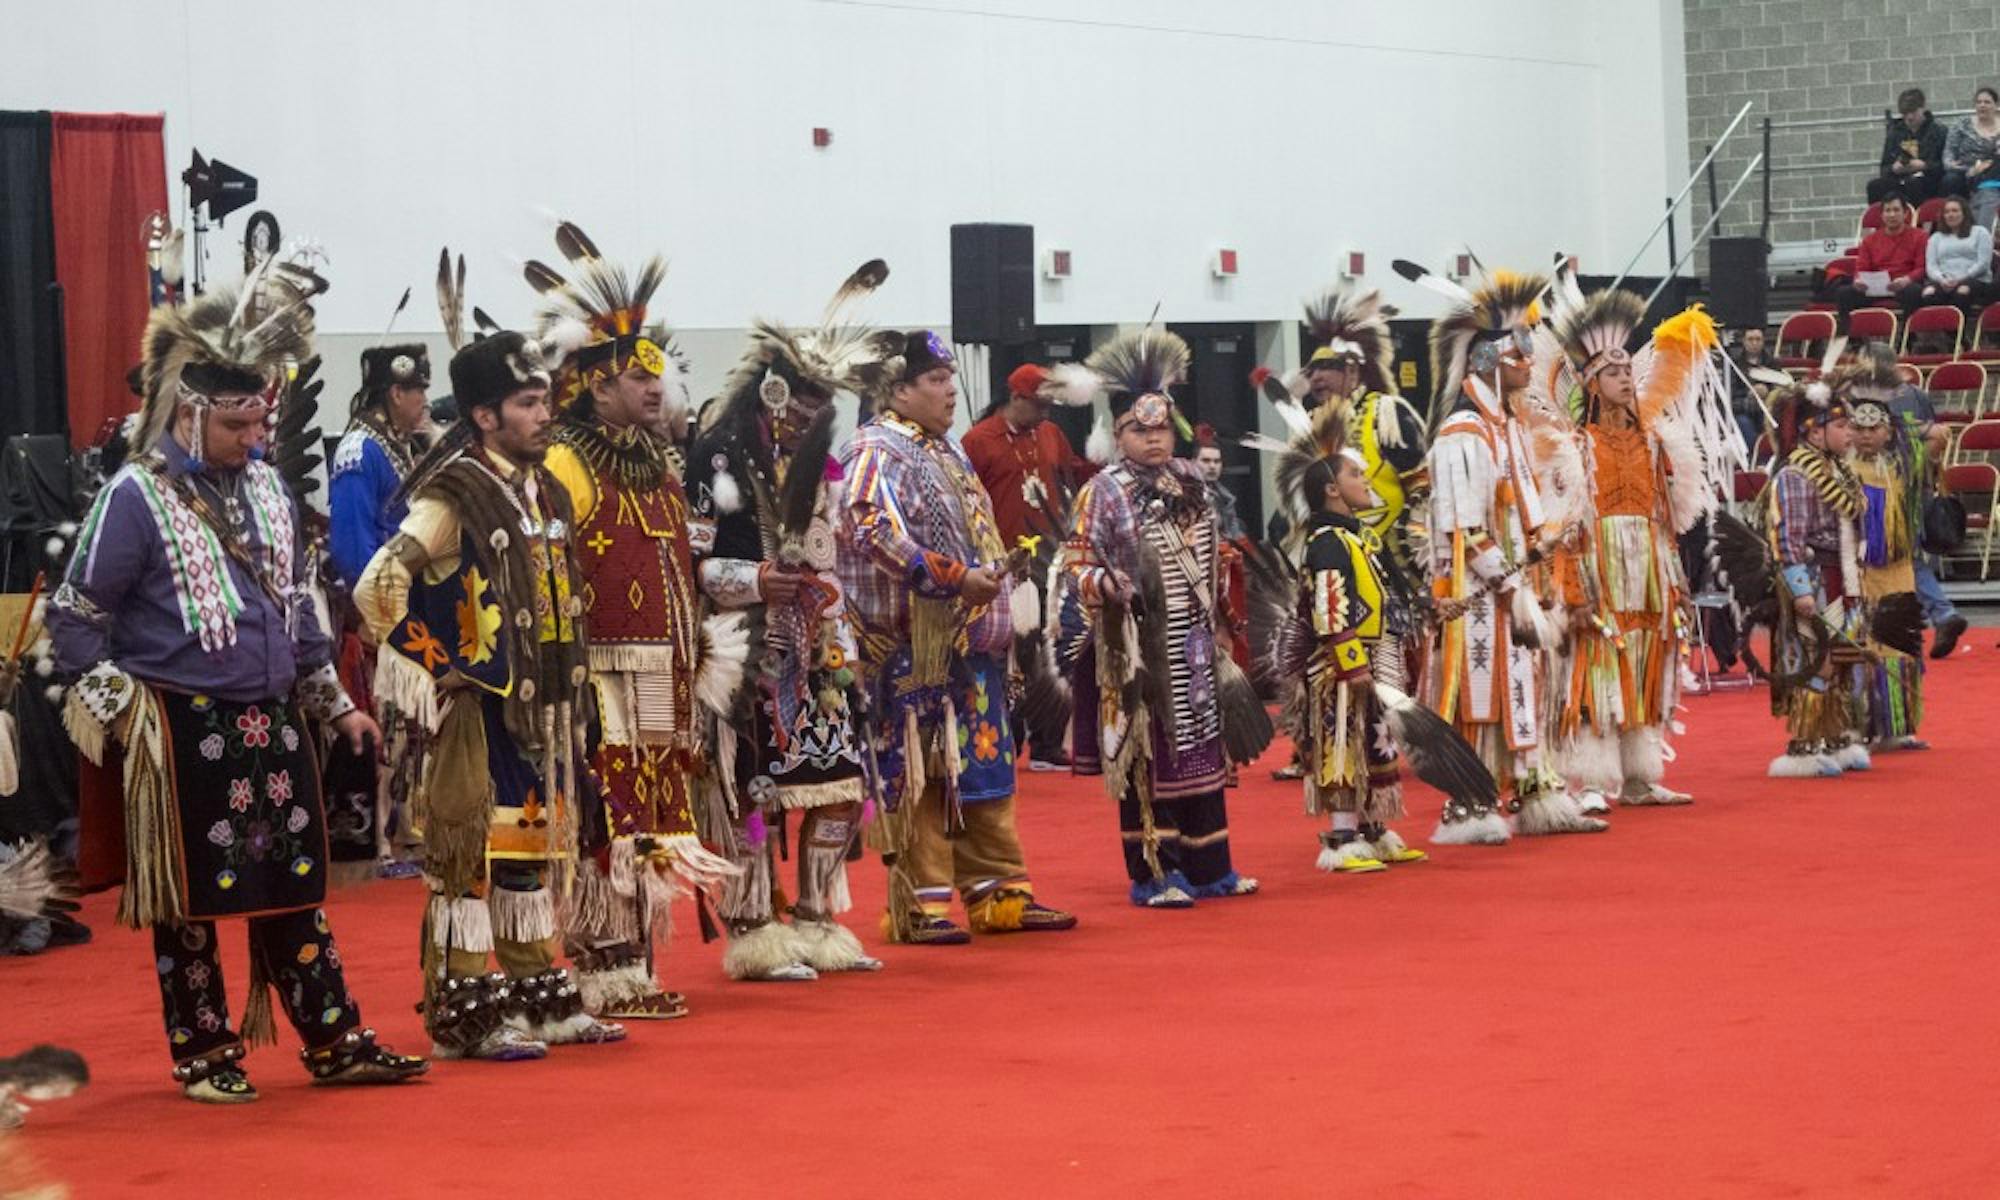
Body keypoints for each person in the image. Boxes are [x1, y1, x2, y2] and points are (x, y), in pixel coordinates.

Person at [47, 269, 426, 1103]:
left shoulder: (268, 489)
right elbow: (74, 615)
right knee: (185, 904)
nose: (254, 436)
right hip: (179, 729)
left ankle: (332, 1039)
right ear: (186, 412)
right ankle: (206, 1053)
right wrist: (122, 714)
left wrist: (334, 703)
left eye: (261, 419)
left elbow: (297, 609)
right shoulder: (135, 497)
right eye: (235, 421)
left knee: (292, 888)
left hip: (273, 720)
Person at [355, 325, 621, 1060]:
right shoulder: (454, 497)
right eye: (528, 403)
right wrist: (433, 665)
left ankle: (538, 997)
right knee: (467, 863)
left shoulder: (545, 491)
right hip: (478, 707)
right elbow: (376, 586)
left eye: (544, 401)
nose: (544, 415)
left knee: (526, 852)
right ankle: (464, 1011)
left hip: (540, 712)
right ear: (483, 415)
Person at [533, 228, 741, 1016]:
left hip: (665, 669)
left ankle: (636, 960)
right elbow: (552, 573)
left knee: (654, 809)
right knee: (608, 809)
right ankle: (599, 961)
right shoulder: (566, 461)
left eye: (655, 374)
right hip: (603, 674)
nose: (654, 389)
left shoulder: (655, 462)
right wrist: (571, 677)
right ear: (591, 385)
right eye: (632, 376)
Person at [683, 259, 890, 980]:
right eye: (800, 400)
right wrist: (755, 580)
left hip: (817, 651)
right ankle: (754, 930)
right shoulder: (715, 453)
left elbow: (831, 553)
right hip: (742, 654)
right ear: (769, 389)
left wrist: (834, 614)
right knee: (751, 793)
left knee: (838, 788)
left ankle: (817, 919)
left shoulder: (818, 465)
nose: (809, 415)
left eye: (819, 404)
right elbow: (691, 563)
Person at [837, 330, 1076, 943]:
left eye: (949, 379)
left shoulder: (945, 449)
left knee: (984, 765)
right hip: (913, 649)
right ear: (898, 391)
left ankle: (1000, 894)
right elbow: (869, 528)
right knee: (923, 774)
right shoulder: (876, 450)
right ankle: (920, 905)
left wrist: (993, 571)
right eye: (936, 381)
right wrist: (950, 576)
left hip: (969, 648)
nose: (950, 391)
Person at [1055, 329, 1263, 907]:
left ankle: (1210, 866)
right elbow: (1075, 563)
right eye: (1139, 430)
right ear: (1116, 434)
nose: (1152, 439)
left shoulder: (1191, 481)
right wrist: (1108, 584)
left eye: (1161, 429)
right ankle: (1154, 872)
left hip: (1194, 645)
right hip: (1137, 647)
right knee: (1150, 756)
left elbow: (1216, 550)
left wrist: (1223, 616)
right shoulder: (1103, 491)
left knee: (1199, 749)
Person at [1405, 264, 1559, 844]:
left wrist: (1543, 555)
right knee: (1477, 694)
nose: (1529, 362)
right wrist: (1510, 584)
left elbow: (1520, 512)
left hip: (1511, 587)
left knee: (1521, 684)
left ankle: (1533, 792)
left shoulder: (1508, 428)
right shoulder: (1464, 433)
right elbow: (1465, 530)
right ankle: (1467, 804)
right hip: (1477, 593)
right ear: (1489, 360)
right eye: (1519, 349)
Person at [1546, 290, 1712, 816]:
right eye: (1612, 373)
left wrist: (1677, 583)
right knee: (1597, 664)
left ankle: (1640, 776)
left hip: (1648, 565)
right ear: (1592, 385)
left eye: (1627, 371)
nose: (1624, 379)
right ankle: (1592, 777)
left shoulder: (1656, 443)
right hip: (1598, 566)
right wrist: (1571, 589)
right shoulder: (1576, 447)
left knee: (1648, 661)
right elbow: (1564, 526)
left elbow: (1667, 520)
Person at [1288, 446, 1427, 873]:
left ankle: (1372, 828)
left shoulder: (1359, 538)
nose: (1366, 479)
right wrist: (1351, 662)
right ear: (1332, 489)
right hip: (1340, 666)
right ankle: (1342, 835)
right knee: (1342, 741)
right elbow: (1329, 609)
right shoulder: (1328, 541)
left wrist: (1429, 609)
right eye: (1355, 474)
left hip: (1373, 656)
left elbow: (1390, 596)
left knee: (1376, 741)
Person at [328, 341, 432, 879]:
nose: (425, 402)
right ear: (396, 391)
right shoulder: (358, 451)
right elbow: (351, 542)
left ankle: (406, 828)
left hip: (408, 605)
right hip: (383, 609)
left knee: (411, 725)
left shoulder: (398, 446)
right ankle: (382, 842)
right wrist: (376, 610)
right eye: (420, 391)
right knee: (389, 722)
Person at [960, 360, 1094, 771]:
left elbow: (1074, 475)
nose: (1046, 413)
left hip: (1049, 562)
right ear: (1016, 398)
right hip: (1000, 564)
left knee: (1051, 650)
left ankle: (1048, 742)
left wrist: (1103, 464)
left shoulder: (1050, 434)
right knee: (1006, 654)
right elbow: (964, 502)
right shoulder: (977, 441)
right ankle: (1005, 735)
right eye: (1039, 405)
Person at [1761, 376, 1870, 778]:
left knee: (1842, 660)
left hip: (1843, 578)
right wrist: (1801, 590)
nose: (1851, 433)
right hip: (1815, 580)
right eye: (1842, 426)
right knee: (1816, 661)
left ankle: (1836, 737)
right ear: (1814, 430)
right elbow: (1788, 537)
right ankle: (1803, 746)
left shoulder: (1838, 471)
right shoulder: (1796, 475)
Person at [1847, 387, 1928, 752]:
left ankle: (1897, 725)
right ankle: (1860, 726)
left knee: (1899, 646)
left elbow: (1936, 438)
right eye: (1859, 428)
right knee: (1863, 649)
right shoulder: (1842, 468)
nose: (1866, 435)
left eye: (1873, 428)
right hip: (1859, 572)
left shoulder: (1902, 464)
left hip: (1898, 569)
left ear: (1887, 431)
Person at [1834, 195, 1929, 324]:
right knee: (1844, 294)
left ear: (1905, 214)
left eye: (1896, 210)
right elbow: (1861, 268)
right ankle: (1855, 338)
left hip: (1904, 285)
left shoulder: (1920, 236)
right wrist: (1858, 280)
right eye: (1888, 211)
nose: (1891, 215)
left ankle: (1907, 339)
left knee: (1913, 292)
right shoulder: (1869, 240)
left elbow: (1921, 268)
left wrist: (1906, 280)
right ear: (1882, 215)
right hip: (1876, 287)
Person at [1869, 87, 1945, 204]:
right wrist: (1894, 168)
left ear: (1922, 108)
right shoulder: (1894, 133)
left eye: (1913, 112)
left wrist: (1924, 165)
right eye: (1905, 113)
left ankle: (1918, 219)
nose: (1909, 117)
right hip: (1900, 178)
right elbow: (1884, 168)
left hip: (1928, 179)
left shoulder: (1938, 131)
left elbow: (1945, 165)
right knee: (1875, 186)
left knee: (1913, 183)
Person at [1920, 193, 1994, 310]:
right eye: (1947, 212)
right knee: (1929, 292)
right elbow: (1931, 266)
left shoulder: (1980, 232)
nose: (1951, 215)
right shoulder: (1936, 237)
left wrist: (1960, 278)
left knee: (1962, 291)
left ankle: (1957, 328)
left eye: (1955, 211)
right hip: (1944, 280)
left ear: (1964, 213)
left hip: (1974, 279)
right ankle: (1939, 326)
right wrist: (1941, 279)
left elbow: (1983, 264)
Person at [1942, 86, 2000, 223]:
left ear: (1996, 105)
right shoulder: (1962, 124)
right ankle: (1953, 219)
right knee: (1950, 180)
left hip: (1993, 173)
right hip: (1964, 172)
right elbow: (1947, 157)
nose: (1982, 105)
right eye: (1979, 102)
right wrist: (1970, 170)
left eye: (1987, 102)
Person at [1725, 326, 1775, 456]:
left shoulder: (1772, 364)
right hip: (1744, 412)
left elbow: (1781, 390)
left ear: (1763, 341)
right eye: (1750, 339)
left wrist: (1767, 393)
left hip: (1767, 411)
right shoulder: (1734, 365)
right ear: (1744, 341)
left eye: (1758, 339)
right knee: (1744, 423)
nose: (1754, 343)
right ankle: (1755, 458)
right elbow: (1728, 399)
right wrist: (1750, 396)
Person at [1191, 428, 1246, 540]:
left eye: (1217, 461)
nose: (1212, 466)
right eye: (1206, 461)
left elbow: (1235, 534)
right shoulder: (1185, 496)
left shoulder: (1225, 497)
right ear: (1193, 462)